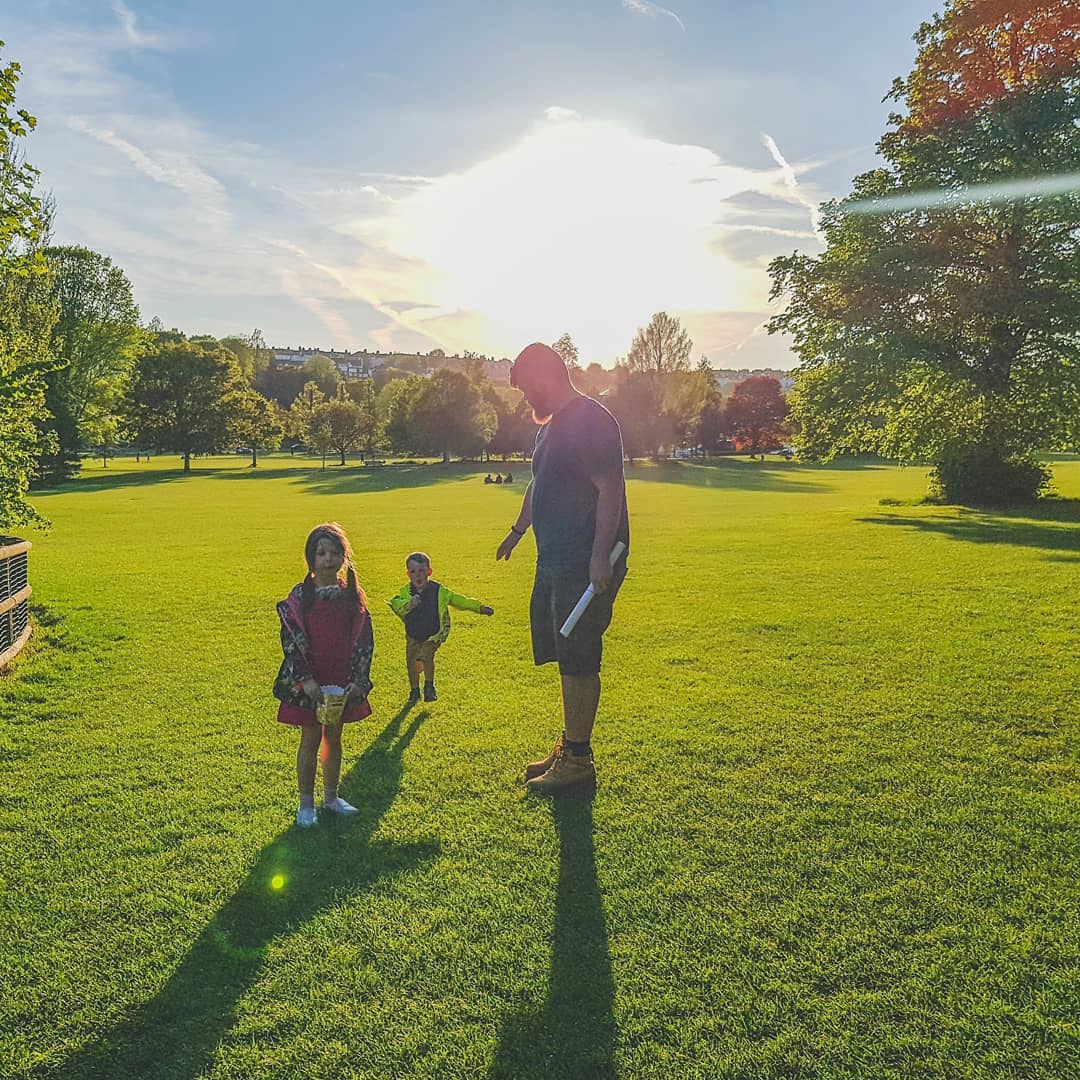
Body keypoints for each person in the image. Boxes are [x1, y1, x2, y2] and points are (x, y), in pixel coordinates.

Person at [496, 342, 629, 796]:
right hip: (555, 557)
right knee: (564, 653)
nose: (525, 399)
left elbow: (609, 488)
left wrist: (598, 555)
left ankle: (578, 759)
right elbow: (540, 483)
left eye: (526, 388)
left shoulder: (591, 420)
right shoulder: (550, 429)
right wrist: (517, 532)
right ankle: (570, 743)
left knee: (579, 655)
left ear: (543, 376)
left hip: (583, 561)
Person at [273, 522, 374, 828]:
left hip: (340, 681)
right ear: (311, 558)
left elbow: (364, 640)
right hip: (310, 683)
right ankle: (306, 805)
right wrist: (305, 681)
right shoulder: (301, 597)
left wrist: (358, 679)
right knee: (311, 738)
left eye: (334, 553)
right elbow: (292, 641)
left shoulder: (351, 596)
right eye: (321, 553)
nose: (328, 559)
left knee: (334, 737)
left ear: (344, 557)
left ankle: (331, 798)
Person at [388, 552, 494, 705]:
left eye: (422, 571)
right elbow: (396, 603)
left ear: (429, 572)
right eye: (413, 572)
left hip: (433, 634)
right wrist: (409, 604)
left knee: (426, 655)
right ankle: (414, 691)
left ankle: (429, 687)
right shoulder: (406, 592)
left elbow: (459, 600)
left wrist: (479, 607)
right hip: (413, 634)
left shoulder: (439, 591)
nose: (418, 575)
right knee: (411, 662)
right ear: (408, 574)